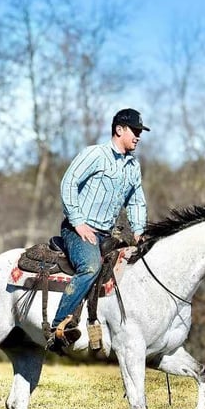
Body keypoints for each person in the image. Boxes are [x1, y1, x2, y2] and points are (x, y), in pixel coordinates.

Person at [48, 107, 150, 350]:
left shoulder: (132, 167)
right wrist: (78, 221)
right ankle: (58, 326)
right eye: (134, 131)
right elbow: (69, 183)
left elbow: (136, 201)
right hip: (78, 231)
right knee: (91, 266)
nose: (138, 136)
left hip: (108, 234)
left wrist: (138, 230)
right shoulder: (95, 154)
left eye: (140, 132)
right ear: (119, 130)